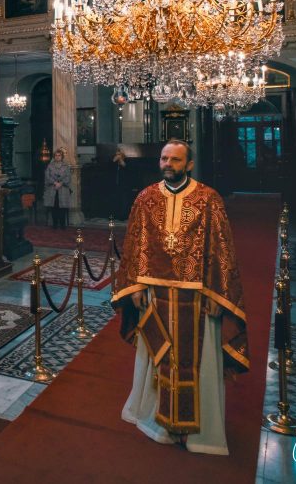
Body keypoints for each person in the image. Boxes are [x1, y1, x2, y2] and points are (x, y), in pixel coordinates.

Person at [113, 139, 248, 455]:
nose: (168, 164)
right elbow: (134, 247)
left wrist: (219, 292)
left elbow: (222, 251)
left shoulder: (208, 199)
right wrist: (136, 286)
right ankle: (154, 420)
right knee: (158, 357)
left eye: (175, 160)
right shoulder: (146, 198)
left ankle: (201, 432)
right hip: (155, 296)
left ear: (189, 164)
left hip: (198, 298)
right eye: (164, 159)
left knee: (199, 361)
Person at [43, 147, 72, 228]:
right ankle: (55, 224)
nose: (57, 157)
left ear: (62, 156)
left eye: (59, 155)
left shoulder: (66, 166)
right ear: (54, 156)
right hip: (52, 189)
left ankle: (63, 225)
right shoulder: (50, 166)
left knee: (62, 207)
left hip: (63, 189)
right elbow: (47, 176)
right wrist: (54, 182)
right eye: (56, 155)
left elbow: (68, 177)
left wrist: (61, 183)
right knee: (54, 207)